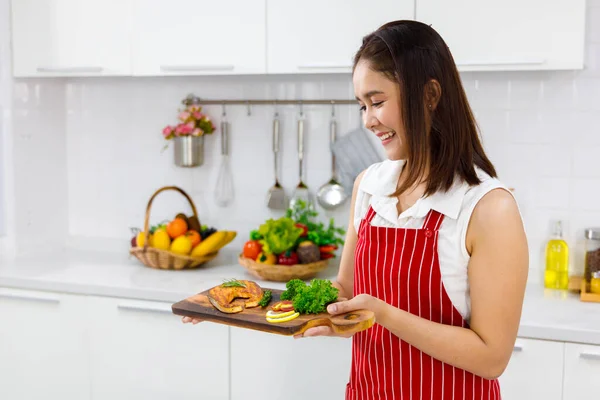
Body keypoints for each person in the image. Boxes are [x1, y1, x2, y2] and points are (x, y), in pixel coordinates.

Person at [184, 20, 529, 400]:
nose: (368, 120)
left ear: (430, 95)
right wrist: (234, 305)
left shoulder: (487, 207)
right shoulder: (369, 186)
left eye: (377, 102)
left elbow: (491, 357)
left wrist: (382, 314)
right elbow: (345, 289)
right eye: (362, 105)